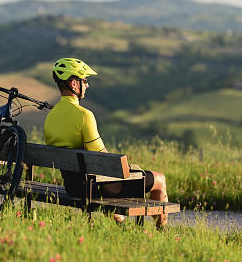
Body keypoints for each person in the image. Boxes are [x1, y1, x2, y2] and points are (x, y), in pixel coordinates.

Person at [43, 58, 168, 228]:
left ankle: (119, 225)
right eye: (84, 80)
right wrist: (129, 169)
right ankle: (162, 232)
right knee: (159, 179)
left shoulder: (51, 117)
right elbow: (104, 161)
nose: (87, 85)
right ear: (73, 84)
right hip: (98, 188)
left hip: (73, 187)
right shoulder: (84, 115)